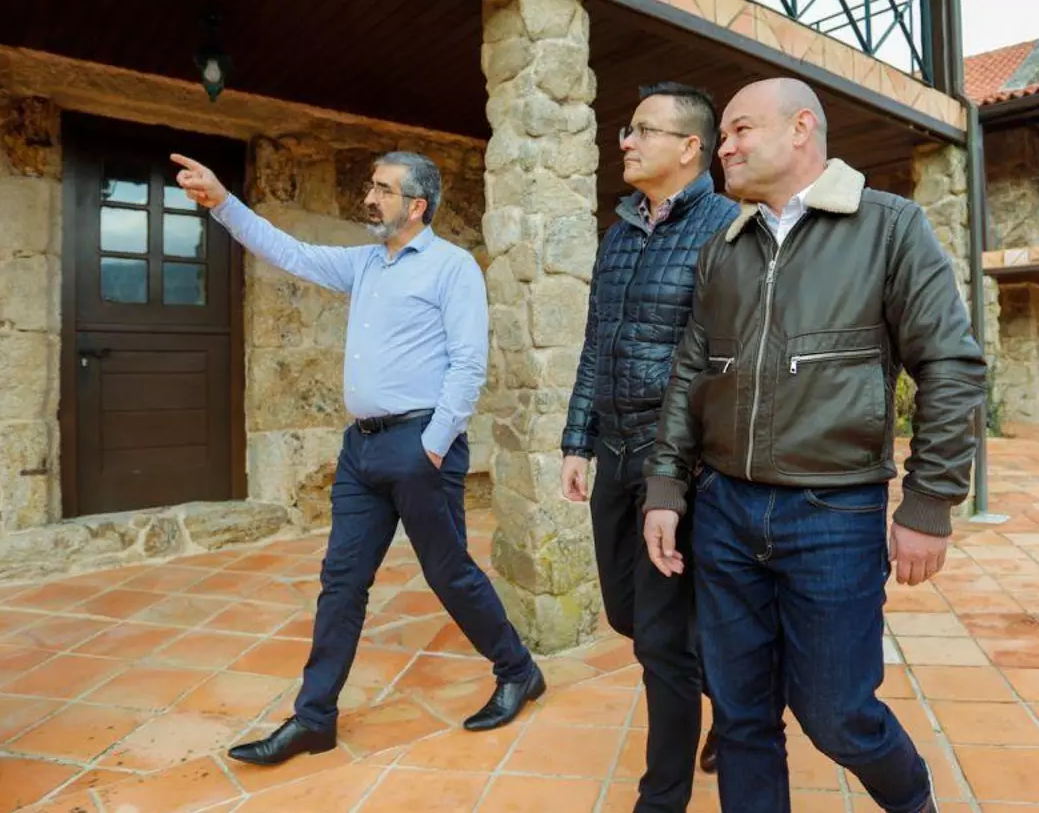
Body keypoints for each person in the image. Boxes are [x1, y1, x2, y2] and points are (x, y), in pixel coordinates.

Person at [640, 78, 986, 813]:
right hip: (724, 511)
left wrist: (929, 500)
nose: (723, 148)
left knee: (837, 716)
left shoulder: (889, 226)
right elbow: (691, 373)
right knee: (740, 717)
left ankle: (912, 799)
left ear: (801, 129)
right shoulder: (723, 249)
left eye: (740, 130)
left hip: (833, 514)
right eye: (722, 136)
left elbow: (950, 366)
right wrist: (666, 486)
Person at [171, 151, 544, 766]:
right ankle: (314, 718)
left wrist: (433, 444)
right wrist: (223, 204)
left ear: (416, 205)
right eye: (371, 186)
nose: (369, 198)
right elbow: (289, 252)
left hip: (419, 445)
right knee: (341, 581)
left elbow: (468, 363)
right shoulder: (365, 263)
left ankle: (517, 670)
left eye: (383, 190)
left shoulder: (452, 267)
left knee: (449, 573)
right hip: (361, 449)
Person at [561, 82, 737, 811]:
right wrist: (577, 439)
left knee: (661, 641)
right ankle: (735, 693)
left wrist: (683, 466)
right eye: (626, 131)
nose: (625, 142)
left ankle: (661, 797)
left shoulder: (727, 229)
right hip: (614, 450)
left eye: (641, 131)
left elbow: (720, 364)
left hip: (677, 463)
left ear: (690, 147)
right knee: (629, 615)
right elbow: (596, 341)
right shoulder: (621, 230)